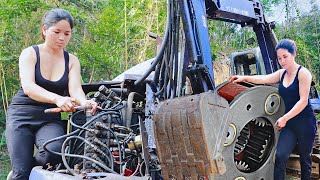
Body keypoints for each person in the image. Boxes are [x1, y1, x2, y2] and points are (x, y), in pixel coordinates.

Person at [6, 8, 98, 179]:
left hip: (50, 118)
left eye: (67, 33)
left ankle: (29, 167)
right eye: (56, 32)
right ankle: (21, 171)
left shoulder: (72, 60)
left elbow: (76, 89)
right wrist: (57, 98)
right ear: (44, 30)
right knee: (20, 173)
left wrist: (86, 103)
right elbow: (29, 87)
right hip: (21, 116)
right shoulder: (30, 53)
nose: (62, 38)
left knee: (54, 154)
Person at [230, 39, 317, 180]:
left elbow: (303, 101)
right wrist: (243, 77)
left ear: (293, 54)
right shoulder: (281, 73)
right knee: (280, 155)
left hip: (305, 123)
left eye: (285, 57)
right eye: (279, 58)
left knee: (305, 159)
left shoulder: (303, 73)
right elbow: (263, 78)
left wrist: (284, 118)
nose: (282, 61)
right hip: (290, 125)